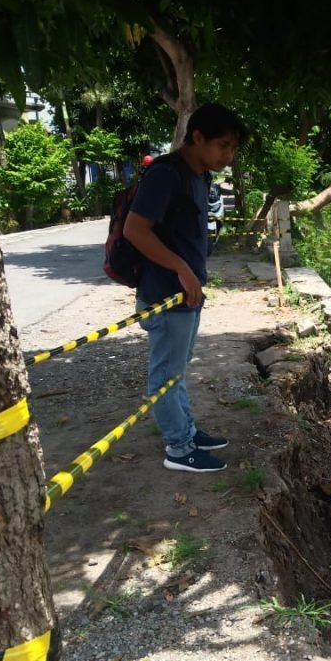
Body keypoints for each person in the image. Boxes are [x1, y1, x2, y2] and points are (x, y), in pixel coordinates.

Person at [124, 104, 248, 472]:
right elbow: (135, 229)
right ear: (197, 138)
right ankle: (179, 450)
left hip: (187, 293)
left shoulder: (198, 175)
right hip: (166, 296)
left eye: (232, 149)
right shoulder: (165, 174)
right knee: (164, 377)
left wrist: (193, 275)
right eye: (222, 146)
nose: (227, 155)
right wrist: (181, 268)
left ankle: (188, 432)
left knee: (177, 372)